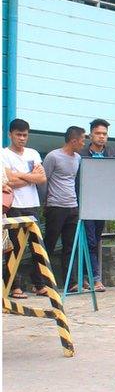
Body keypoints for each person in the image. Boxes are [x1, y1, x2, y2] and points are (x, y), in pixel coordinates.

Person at [1, 119, 47, 298]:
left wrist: (18, 176)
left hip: (32, 204)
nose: (22, 138)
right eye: (18, 135)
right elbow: (7, 180)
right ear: (10, 134)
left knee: (36, 245)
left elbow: (42, 178)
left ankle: (39, 284)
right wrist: (30, 177)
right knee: (15, 247)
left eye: (25, 135)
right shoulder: (4, 154)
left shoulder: (33, 153)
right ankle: (14, 286)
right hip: (14, 205)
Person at [42, 126, 86, 290]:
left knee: (70, 246)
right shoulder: (53, 156)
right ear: (73, 140)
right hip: (56, 206)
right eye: (82, 140)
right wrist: (45, 203)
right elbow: (43, 180)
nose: (83, 143)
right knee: (49, 244)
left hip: (72, 206)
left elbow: (73, 181)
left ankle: (71, 282)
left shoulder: (78, 158)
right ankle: (40, 281)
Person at [81, 118, 115, 292]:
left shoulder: (111, 152)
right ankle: (95, 278)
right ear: (90, 135)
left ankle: (85, 277)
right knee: (88, 240)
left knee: (95, 241)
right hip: (85, 204)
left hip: (103, 204)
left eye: (104, 134)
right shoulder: (81, 153)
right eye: (98, 133)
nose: (102, 137)